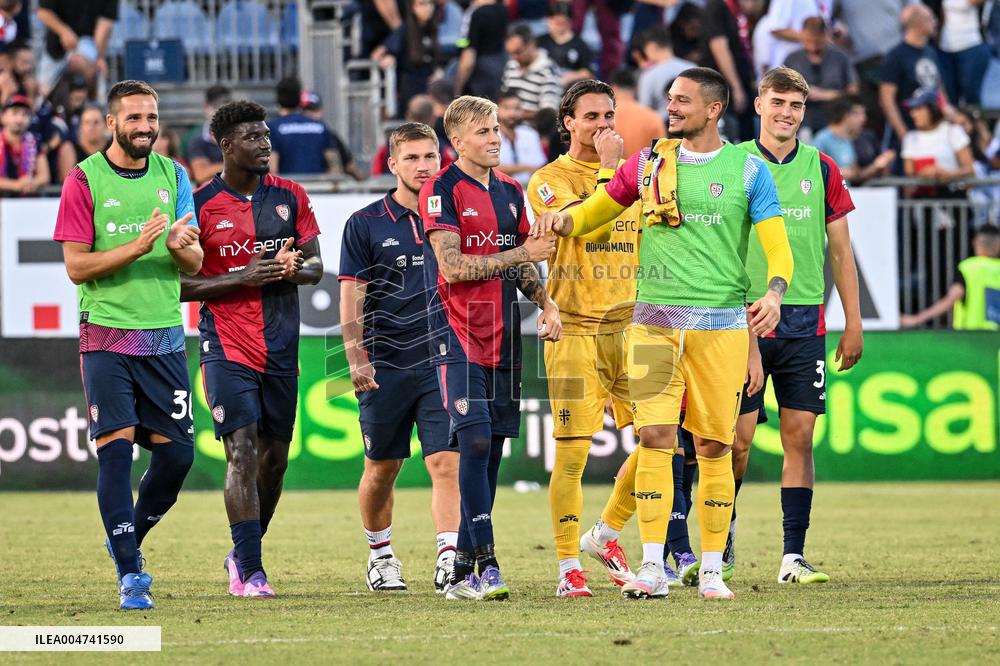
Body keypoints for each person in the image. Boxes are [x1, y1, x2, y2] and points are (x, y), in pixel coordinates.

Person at [532, 67, 793, 601]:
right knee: (655, 439)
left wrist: (774, 292)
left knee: (714, 446)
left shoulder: (748, 171)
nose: (670, 107)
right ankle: (652, 566)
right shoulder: (649, 162)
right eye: (669, 98)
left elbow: (777, 244)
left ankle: (713, 568)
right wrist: (562, 223)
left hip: (720, 328)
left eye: (682, 100)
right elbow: (596, 213)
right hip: (651, 326)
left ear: (713, 109)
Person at [53, 79, 202, 610]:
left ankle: (124, 538)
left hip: (163, 335)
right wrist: (138, 247)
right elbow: (76, 268)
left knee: (178, 458)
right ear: (111, 123)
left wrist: (180, 247)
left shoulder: (175, 175)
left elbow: (195, 261)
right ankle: (131, 573)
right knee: (115, 457)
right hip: (107, 335)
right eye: (134, 118)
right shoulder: (84, 180)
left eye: (151, 117)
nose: (145, 127)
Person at [419, 95, 562, 600]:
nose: (495, 138)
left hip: (504, 334)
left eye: (497, 128)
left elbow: (523, 266)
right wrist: (525, 251)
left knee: (493, 449)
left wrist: (547, 302)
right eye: (483, 131)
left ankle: (461, 566)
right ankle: (488, 561)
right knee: (474, 443)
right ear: (456, 141)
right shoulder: (441, 189)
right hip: (456, 331)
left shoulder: (508, 190)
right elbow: (454, 266)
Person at [180, 100, 323, 598]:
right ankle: (253, 571)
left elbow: (316, 267)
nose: (266, 144)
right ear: (226, 146)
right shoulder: (198, 204)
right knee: (240, 452)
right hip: (226, 346)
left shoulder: (291, 196)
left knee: (275, 461)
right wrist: (240, 276)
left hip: (282, 347)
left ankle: (241, 555)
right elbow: (179, 284)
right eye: (254, 138)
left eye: (267, 136)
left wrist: (290, 269)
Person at [729, 67, 862, 586]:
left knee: (799, 436)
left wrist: (854, 323)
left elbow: (841, 251)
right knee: (736, 441)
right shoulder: (732, 162)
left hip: (806, 317)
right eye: (778, 102)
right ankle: (724, 532)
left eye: (796, 105)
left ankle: (792, 556)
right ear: (759, 103)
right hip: (743, 317)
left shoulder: (821, 167)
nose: (787, 113)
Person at [526, 79, 643, 597]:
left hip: (634, 325)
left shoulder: (636, 175)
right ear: (568, 122)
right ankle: (568, 566)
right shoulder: (548, 181)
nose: (603, 126)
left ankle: (607, 533)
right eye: (591, 117)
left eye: (609, 116)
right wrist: (608, 170)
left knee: (667, 437)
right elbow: (590, 228)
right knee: (572, 454)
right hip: (575, 326)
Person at [339, 122, 461, 593]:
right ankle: (381, 555)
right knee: (382, 469)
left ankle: (448, 559)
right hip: (386, 363)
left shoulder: (452, 218)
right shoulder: (365, 223)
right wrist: (356, 357)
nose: (422, 165)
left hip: (443, 360)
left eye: (430, 156)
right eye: (411, 157)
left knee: (444, 464)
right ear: (392, 165)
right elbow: (353, 297)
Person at [900, 224, 1000, 330]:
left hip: (971, 338)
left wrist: (916, 319)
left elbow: (950, 300)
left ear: (975, 243)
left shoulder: (969, 268)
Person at [880, 4, 948, 152]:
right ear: (919, 23)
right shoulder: (895, 56)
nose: (935, 22)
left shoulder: (931, 52)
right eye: (931, 19)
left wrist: (947, 116)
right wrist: (903, 134)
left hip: (933, 132)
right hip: (909, 129)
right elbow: (887, 99)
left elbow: (939, 90)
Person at [269, 77, 365, 180]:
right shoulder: (321, 127)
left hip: (289, 192)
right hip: (317, 192)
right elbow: (335, 169)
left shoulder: (272, 128)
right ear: (299, 98)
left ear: (277, 99)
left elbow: (273, 170)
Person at [783, 17, 860, 134]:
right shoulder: (792, 60)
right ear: (802, 35)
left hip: (836, 120)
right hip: (803, 121)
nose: (813, 47)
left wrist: (825, 95)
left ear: (825, 36)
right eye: (808, 41)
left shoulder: (840, 58)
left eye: (817, 42)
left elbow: (853, 92)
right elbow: (783, 92)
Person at [700, 0, 757, 141]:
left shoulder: (736, 9)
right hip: (722, 87)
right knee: (731, 138)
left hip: (740, 84)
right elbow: (719, 48)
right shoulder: (717, 6)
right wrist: (736, 87)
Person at [372, 0, 442, 113]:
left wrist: (438, 71)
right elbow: (377, 54)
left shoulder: (432, 29)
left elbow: (435, 60)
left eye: (430, 3)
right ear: (412, 8)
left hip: (429, 85)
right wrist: (388, 58)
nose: (427, 8)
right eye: (421, 4)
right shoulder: (404, 30)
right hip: (410, 85)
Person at [36, 0, 116, 92]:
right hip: (55, 47)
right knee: (45, 90)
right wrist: (64, 32)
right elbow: (43, 12)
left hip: (89, 43)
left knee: (94, 77)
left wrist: (99, 57)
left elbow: (105, 24)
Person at [813, 97, 896, 184]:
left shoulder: (853, 138)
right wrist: (836, 173)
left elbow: (856, 175)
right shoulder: (822, 139)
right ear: (845, 115)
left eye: (863, 113)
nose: (863, 118)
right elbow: (811, 173)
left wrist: (877, 166)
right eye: (858, 113)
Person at [502, 22, 564, 120]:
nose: (514, 57)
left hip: (534, 130)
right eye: (511, 53)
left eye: (518, 52)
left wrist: (517, 115)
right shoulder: (511, 65)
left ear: (531, 44)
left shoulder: (548, 70)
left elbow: (549, 114)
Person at [935, 0, 991, 106]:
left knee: (971, 96)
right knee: (949, 95)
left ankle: (974, 122)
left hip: (971, 45)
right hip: (946, 48)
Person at [636, 25, 696, 120]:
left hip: (664, 126)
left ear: (652, 47)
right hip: (692, 124)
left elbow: (644, 111)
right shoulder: (692, 67)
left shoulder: (649, 75)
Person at [454, 0, 508, 101]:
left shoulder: (476, 14)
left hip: (480, 75)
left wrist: (457, 89)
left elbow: (468, 57)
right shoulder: (502, 9)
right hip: (501, 68)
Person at [609, 69, 666, 157]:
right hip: (642, 169)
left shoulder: (603, 116)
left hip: (608, 170)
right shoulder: (653, 117)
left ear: (612, 88)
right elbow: (660, 155)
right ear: (636, 88)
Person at [0, 94, 49, 196]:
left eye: (25, 114)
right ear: (3, 117)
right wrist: (15, 185)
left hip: (27, 205)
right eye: (15, 113)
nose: (19, 119)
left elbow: (45, 176)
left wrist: (31, 183)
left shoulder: (36, 142)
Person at [497, 91, 548, 186]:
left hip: (529, 188)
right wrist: (525, 168)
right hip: (499, 188)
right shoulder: (490, 135)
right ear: (497, 110)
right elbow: (489, 169)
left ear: (522, 111)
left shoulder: (530, 134)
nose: (512, 113)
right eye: (506, 108)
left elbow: (540, 167)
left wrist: (509, 169)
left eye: (517, 108)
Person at [537, 2, 593, 88]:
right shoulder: (539, 42)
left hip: (569, 89)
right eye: (556, 22)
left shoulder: (580, 45)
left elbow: (588, 73)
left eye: (563, 23)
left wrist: (571, 76)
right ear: (548, 20)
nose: (559, 26)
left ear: (570, 22)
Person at [187, 85, 231, 186]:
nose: (221, 113)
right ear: (206, 107)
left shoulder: (242, 135)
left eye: (226, 108)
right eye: (216, 107)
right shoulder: (197, 139)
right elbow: (201, 174)